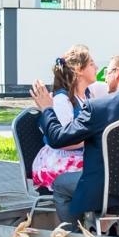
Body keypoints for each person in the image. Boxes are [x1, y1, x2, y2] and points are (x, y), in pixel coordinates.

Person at [28, 51, 119, 227]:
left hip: (108, 191)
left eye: (108, 72)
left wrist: (47, 109)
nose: (104, 77)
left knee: (61, 185)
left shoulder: (99, 108)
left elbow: (58, 139)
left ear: (118, 73)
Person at [31, 45, 96, 191]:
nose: (96, 67)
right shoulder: (62, 100)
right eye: (91, 64)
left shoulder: (87, 95)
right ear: (79, 70)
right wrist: (94, 140)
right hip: (60, 161)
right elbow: (64, 140)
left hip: (79, 157)